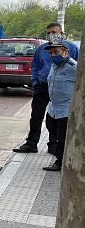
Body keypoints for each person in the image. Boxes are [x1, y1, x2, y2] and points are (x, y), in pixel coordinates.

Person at [13, 23, 79, 154]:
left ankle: (54, 145)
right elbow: (35, 66)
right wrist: (34, 81)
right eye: (48, 33)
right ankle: (31, 143)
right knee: (36, 116)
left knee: (56, 119)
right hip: (43, 86)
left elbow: (77, 69)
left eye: (54, 32)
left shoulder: (72, 48)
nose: (51, 35)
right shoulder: (42, 49)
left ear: (61, 34)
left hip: (62, 89)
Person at [41, 41, 78, 171]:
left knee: (62, 137)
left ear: (66, 52)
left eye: (56, 52)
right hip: (53, 108)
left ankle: (60, 162)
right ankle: (61, 156)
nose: (53, 55)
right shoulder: (54, 66)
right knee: (51, 130)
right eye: (51, 52)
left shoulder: (73, 67)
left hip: (66, 109)